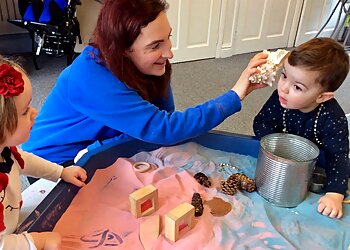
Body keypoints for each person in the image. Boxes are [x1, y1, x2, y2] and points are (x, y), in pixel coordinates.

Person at [22, 0, 268, 165]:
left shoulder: (152, 64)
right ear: (124, 50)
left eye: (167, 38)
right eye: (155, 45)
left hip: (104, 142)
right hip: (56, 160)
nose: (169, 52)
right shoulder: (89, 77)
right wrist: (235, 94)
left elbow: (164, 116)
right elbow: (165, 128)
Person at [253, 37, 350, 219]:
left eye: (297, 87)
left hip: (314, 167)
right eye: (284, 76)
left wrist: (335, 194)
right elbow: (261, 123)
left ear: (322, 97)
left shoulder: (332, 118)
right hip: (281, 162)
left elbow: (338, 157)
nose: (284, 88)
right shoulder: (280, 98)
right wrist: (276, 150)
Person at [0, 57, 87, 249]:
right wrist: (39, 241)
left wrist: (61, 172)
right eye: (25, 112)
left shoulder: (5, 151)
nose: (36, 113)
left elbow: (23, 161)